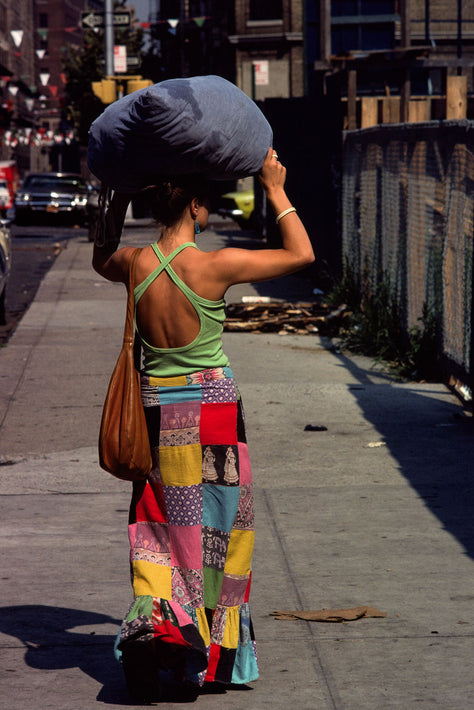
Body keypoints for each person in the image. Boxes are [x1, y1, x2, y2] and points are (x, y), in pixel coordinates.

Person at [92, 147, 315, 703]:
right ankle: (206, 656)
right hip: (212, 415)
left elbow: (102, 256)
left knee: (158, 528)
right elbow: (302, 254)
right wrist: (275, 187)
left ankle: (155, 632)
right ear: (194, 206)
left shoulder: (135, 264)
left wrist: (117, 201)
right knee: (218, 535)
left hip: (154, 412)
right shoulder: (216, 266)